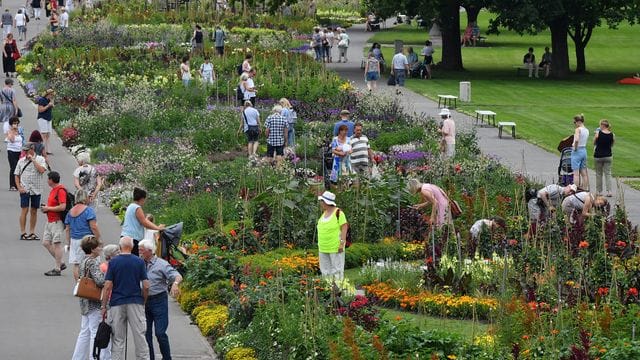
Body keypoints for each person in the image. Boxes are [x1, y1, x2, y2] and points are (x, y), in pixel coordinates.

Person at [101, 236, 150, 360]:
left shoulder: (113, 262)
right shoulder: (139, 262)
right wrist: (143, 300)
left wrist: (104, 306)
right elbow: (146, 285)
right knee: (140, 336)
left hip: (117, 302)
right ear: (132, 246)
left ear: (120, 247)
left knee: (118, 338)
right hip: (135, 301)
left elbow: (107, 286)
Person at [139, 239, 183, 360]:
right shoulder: (139, 263)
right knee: (146, 334)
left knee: (160, 333)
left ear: (149, 251)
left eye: (141, 250)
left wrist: (175, 284)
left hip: (159, 301)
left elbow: (177, 275)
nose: (139, 253)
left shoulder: (162, 264)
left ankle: (167, 357)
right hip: (143, 301)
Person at [71, 235, 111, 360]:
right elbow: (99, 281)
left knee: (84, 331)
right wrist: (107, 276)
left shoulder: (83, 260)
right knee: (95, 331)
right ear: (93, 249)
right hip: (94, 301)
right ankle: (94, 356)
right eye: (98, 246)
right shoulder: (93, 262)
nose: (100, 249)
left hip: (84, 299)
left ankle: (78, 357)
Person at [65, 189, 101, 280]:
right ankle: (90, 286)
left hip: (74, 240)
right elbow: (93, 227)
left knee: (77, 264)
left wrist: (69, 243)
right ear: (85, 198)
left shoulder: (70, 212)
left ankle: (79, 285)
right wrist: (98, 239)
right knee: (92, 262)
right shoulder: (88, 210)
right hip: (87, 240)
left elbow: (67, 229)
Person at [15, 142, 47, 241]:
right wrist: (19, 187)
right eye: (23, 150)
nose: (24, 152)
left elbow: (42, 170)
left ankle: (32, 232)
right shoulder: (21, 161)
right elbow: (16, 174)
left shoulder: (41, 159)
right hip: (25, 188)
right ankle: (23, 232)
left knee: (34, 210)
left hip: (36, 189)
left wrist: (33, 160)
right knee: (24, 210)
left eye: (26, 150)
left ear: (32, 149)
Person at [121, 187, 165, 256]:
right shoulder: (137, 207)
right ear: (142, 199)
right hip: (132, 239)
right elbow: (144, 222)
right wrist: (158, 228)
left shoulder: (130, 206)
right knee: (133, 260)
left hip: (125, 237)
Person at [316, 191, 348, 280]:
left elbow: (344, 227)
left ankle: (338, 291)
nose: (321, 203)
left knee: (337, 270)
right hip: (323, 247)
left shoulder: (338, 213)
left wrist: (342, 243)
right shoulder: (324, 213)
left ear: (327, 202)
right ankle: (328, 290)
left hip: (335, 247)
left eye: (322, 201)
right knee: (325, 270)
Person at [41, 171, 67, 276]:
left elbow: (62, 206)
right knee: (46, 242)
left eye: (48, 179)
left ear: (51, 180)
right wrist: (47, 209)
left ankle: (57, 268)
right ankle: (60, 263)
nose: (47, 181)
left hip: (57, 221)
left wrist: (48, 208)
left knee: (57, 243)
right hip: (50, 220)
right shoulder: (53, 190)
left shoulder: (60, 190)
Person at [593, 119, 614, 197]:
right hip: (608, 155)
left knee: (599, 174)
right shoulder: (612, 134)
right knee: (608, 174)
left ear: (602, 125)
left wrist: (596, 137)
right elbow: (612, 144)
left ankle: (599, 191)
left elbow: (594, 143)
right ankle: (609, 191)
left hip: (598, 155)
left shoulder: (598, 133)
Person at [571, 114, 590, 190]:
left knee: (576, 173)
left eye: (574, 122)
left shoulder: (578, 129)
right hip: (584, 150)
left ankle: (575, 189)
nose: (574, 124)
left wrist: (575, 148)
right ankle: (585, 189)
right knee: (584, 173)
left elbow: (577, 140)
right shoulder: (586, 130)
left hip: (577, 151)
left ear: (578, 122)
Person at [37, 88, 55, 154]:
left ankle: (48, 150)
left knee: (48, 134)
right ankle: (42, 150)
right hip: (42, 118)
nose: (52, 96)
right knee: (44, 134)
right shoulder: (42, 100)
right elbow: (40, 110)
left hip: (48, 118)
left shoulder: (49, 100)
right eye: (52, 95)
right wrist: (48, 106)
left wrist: (52, 103)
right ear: (48, 94)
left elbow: (52, 106)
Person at [5, 117, 22, 191]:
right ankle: (12, 185)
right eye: (14, 123)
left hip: (19, 151)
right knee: (13, 167)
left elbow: (22, 140)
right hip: (11, 151)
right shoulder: (9, 131)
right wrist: (12, 130)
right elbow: (12, 140)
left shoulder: (19, 131)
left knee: (19, 168)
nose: (16, 125)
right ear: (11, 124)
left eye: (17, 123)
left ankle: (17, 184)